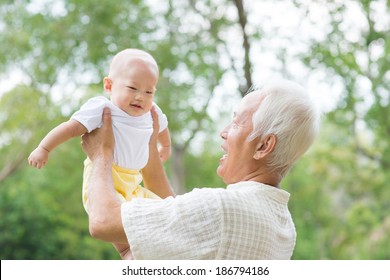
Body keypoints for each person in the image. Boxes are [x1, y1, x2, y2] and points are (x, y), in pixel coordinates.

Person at [81, 80, 320, 260]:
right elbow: (181, 224)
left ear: (264, 145)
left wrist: (101, 155)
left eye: (236, 122)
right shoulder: (284, 226)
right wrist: (148, 151)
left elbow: (103, 223)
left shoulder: (221, 209)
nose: (224, 131)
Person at [28, 48, 171, 211]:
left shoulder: (151, 111)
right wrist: (44, 148)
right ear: (109, 86)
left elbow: (162, 129)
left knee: (163, 208)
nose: (141, 97)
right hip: (104, 176)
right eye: (132, 88)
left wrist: (165, 146)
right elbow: (71, 128)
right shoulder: (102, 108)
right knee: (118, 214)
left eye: (148, 92)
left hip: (133, 180)